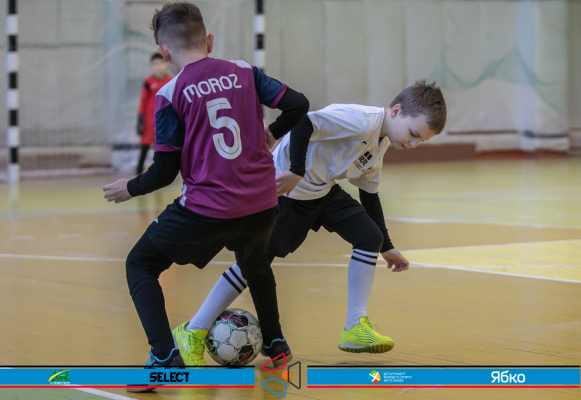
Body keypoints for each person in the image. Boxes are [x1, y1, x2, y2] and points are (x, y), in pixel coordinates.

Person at [102, 2, 309, 392]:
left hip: (208, 209)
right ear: (209, 41)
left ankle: (164, 358)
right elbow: (298, 104)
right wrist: (272, 134)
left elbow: (165, 172)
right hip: (263, 203)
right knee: (255, 265)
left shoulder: (170, 93)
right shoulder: (245, 71)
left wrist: (130, 187)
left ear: (163, 51)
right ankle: (277, 345)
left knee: (140, 264)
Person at [182, 80, 447, 363]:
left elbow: (370, 195)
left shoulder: (379, 144)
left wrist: (387, 246)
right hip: (284, 190)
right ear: (396, 111)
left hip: (320, 191)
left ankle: (355, 327)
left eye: (421, 140)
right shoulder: (360, 120)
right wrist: (296, 170)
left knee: (370, 237)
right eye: (414, 134)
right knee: (254, 263)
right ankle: (193, 330)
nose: (414, 144)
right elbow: (304, 122)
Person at [136, 53, 172, 176]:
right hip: (150, 121)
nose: (158, 67)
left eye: (160, 63)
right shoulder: (148, 82)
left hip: (165, 121)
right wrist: (140, 120)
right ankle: (139, 171)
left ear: (165, 64)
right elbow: (143, 101)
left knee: (163, 148)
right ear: (151, 66)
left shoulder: (171, 81)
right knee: (145, 146)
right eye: (155, 64)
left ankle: (162, 173)